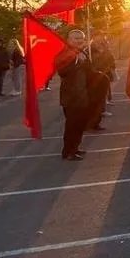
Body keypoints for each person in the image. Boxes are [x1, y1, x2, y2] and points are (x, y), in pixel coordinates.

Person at [55, 29, 96, 161]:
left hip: (83, 95)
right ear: (68, 40)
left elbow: (90, 72)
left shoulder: (82, 52)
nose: (79, 41)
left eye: (81, 39)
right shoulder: (65, 53)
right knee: (72, 125)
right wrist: (77, 62)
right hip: (71, 97)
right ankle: (68, 151)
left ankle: (76, 147)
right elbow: (62, 71)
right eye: (75, 38)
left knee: (80, 125)